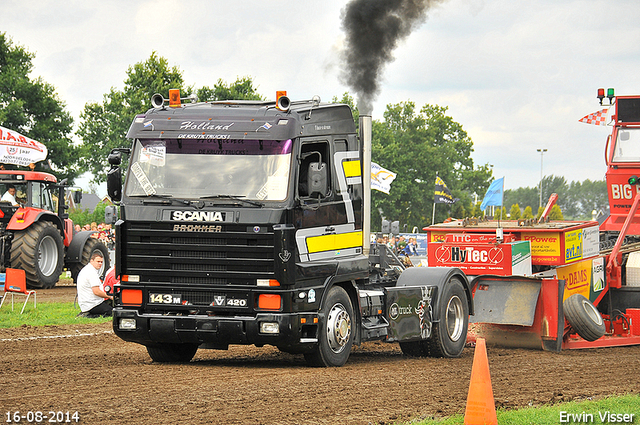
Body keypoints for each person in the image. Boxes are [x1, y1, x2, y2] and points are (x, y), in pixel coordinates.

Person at [76, 252, 113, 317]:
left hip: (86, 303)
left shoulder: (86, 269)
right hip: (92, 304)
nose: (100, 264)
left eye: (101, 262)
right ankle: (89, 315)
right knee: (112, 312)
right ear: (91, 261)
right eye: (98, 261)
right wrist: (110, 296)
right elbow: (96, 292)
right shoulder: (91, 273)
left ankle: (88, 313)